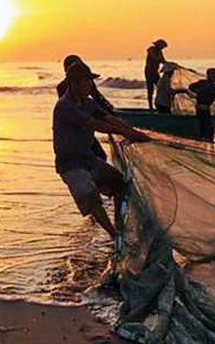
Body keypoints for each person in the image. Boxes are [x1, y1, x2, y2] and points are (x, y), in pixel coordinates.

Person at [53, 61, 150, 238]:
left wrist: (132, 131)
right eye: (87, 81)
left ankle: (119, 226)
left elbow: (107, 117)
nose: (91, 85)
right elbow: (95, 124)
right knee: (92, 201)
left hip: (88, 158)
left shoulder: (87, 102)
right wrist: (124, 132)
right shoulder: (65, 106)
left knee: (119, 183)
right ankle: (114, 236)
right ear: (74, 84)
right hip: (70, 164)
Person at [56, 55, 115, 161]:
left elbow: (96, 100)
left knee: (97, 156)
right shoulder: (65, 94)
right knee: (98, 156)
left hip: (79, 127)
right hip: (80, 127)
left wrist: (107, 114)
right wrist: (110, 114)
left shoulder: (63, 88)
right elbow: (97, 99)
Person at [144, 39, 167, 110]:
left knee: (161, 87)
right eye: (162, 46)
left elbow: (163, 61)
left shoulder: (160, 52)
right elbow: (155, 58)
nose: (162, 48)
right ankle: (150, 107)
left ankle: (160, 104)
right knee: (150, 89)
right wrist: (160, 60)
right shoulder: (151, 50)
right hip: (149, 72)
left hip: (155, 72)